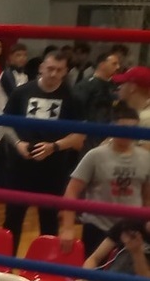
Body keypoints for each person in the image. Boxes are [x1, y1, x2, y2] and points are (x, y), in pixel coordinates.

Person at [1, 49, 87, 245]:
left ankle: (44, 263)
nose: (53, 74)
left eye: (59, 70)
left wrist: (54, 147)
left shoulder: (73, 97)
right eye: (50, 68)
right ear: (41, 68)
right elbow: (5, 123)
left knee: (49, 222)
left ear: (65, 71)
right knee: (12, 219)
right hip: (20, 166)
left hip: (53, 169)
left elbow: (80, 134)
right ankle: (5, 262)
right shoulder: (21, 92)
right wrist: (18, 144)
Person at [59, 105, 150, 256]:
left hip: (131, 229)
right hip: (97, 227)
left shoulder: (145, 158)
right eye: (123, 128)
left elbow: (147, 196)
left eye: (133, 128)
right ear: (112, 127)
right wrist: (67, 228)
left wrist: (146, 222)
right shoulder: (95, 156)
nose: (128, 133)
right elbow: (72, 190)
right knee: (93, 268)